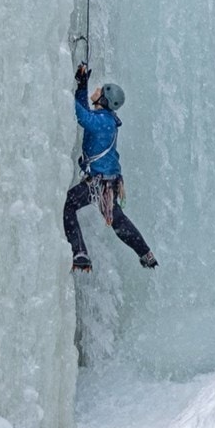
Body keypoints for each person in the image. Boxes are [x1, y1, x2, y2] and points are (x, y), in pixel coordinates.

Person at [64, 62, 157, 272]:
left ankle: (79, 252)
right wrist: (81, 86)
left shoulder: (104, 121)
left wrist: (63, 91)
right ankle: (145, 253)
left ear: (104, 100)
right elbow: (87, 113)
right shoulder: (106, 119)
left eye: (99, 90)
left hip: (99, 182)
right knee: (117, 220)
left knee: (69, 205)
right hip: (107, 181)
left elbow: (83, 117)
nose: (95, 90)